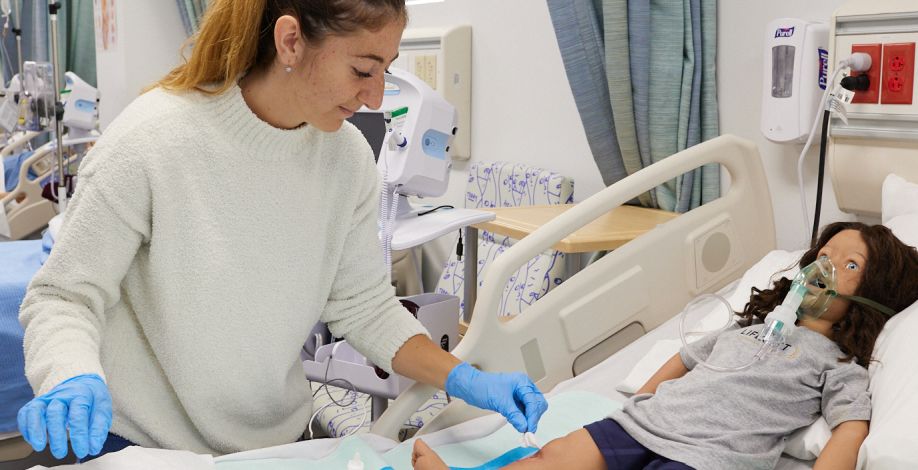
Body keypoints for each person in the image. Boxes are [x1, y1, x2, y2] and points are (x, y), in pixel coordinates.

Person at [15, 0, 547, 461]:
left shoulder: (348, 161)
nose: (376, 96)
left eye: (387, 69)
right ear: (291, 41)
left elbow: (364, 307)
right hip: (145, 445)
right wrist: (70, 373)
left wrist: (462, 377)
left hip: (277, 445)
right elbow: (63, 295)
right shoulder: (153, 141)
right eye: (364, 69)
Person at [411, 222, 918, 470]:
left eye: (849, 266)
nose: (822, 269)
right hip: (646, 424)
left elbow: (850, 429)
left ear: (872, 299)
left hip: (710, 457)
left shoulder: (838, 364)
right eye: (823, 254)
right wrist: (638, 406)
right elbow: (683, 358)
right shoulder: (744, 329)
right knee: (557, 455)